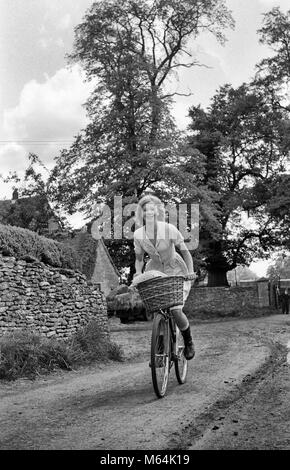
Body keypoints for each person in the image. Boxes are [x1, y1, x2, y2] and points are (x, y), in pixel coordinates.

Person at [133, 194, 196, 360]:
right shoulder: (138, 235)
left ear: (157, 211)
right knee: (157, 308)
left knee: (175, 309)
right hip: (154, 271)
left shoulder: (169, 229)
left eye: (152, 209)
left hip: (175, 269)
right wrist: (138, 273)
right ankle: (160, 346)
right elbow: (139, 260)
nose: (149, 212)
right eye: (145, 210)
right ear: (141, 213)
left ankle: (188, 340)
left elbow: (185, 252)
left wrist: (190, 271)